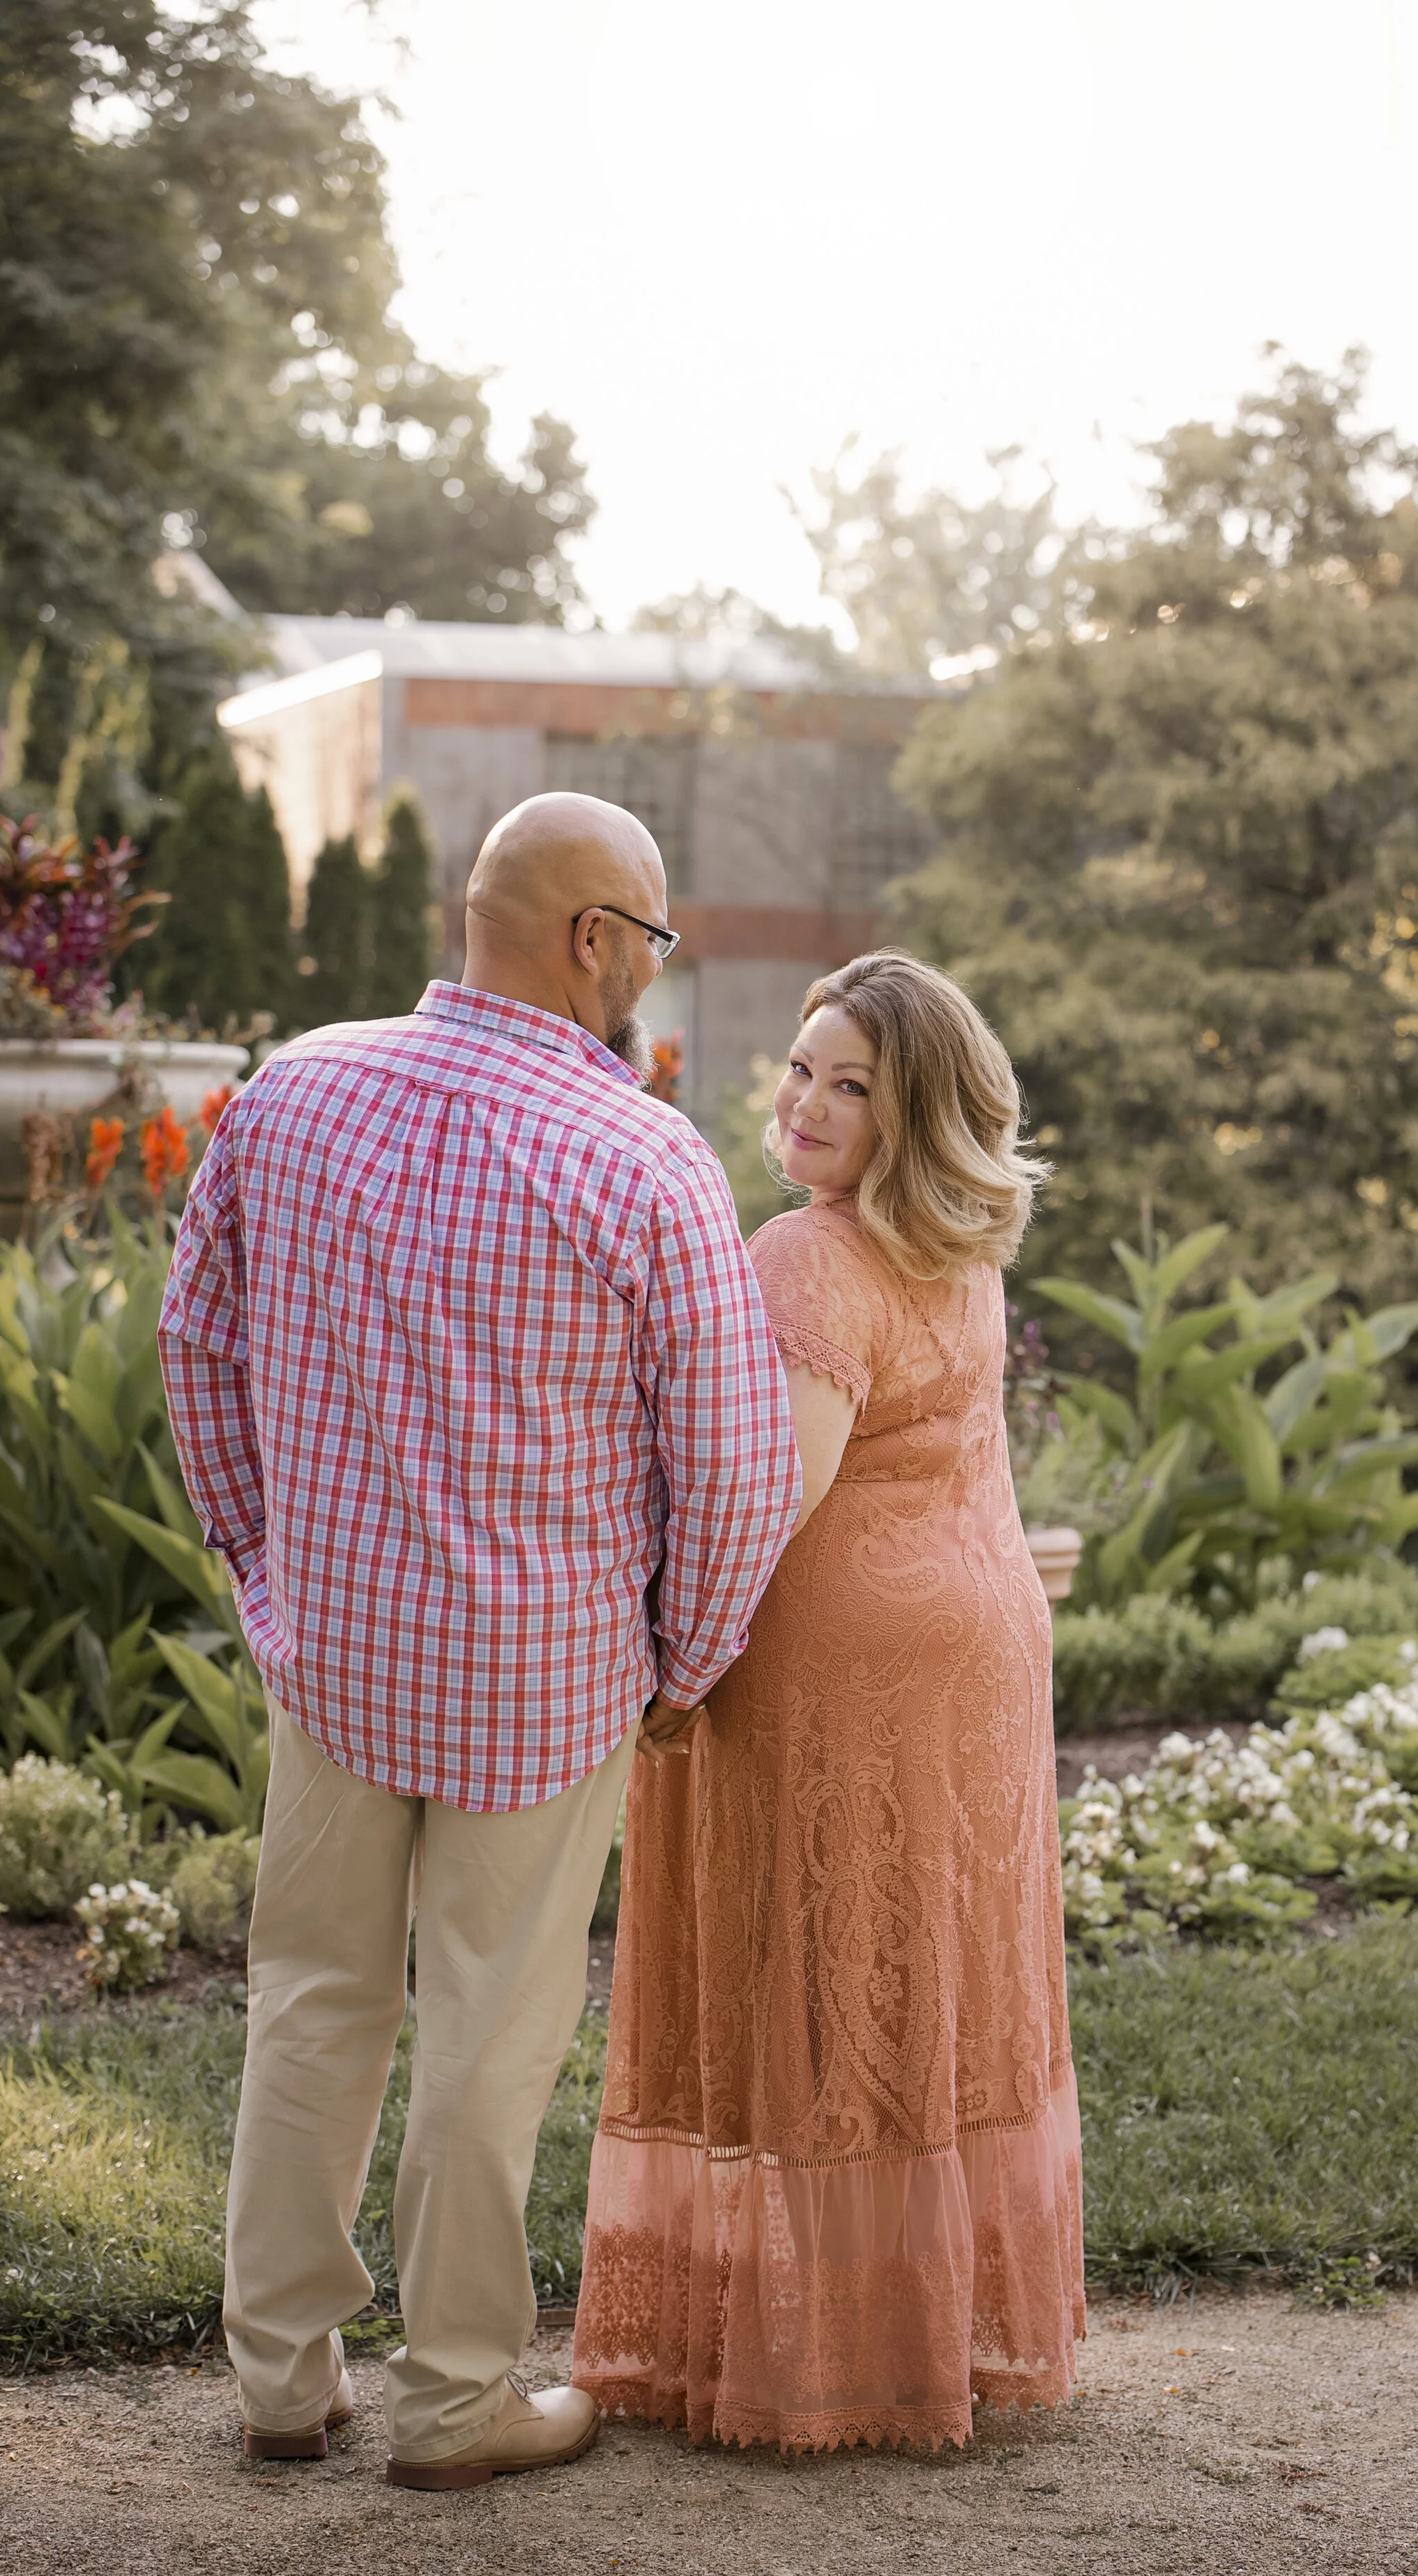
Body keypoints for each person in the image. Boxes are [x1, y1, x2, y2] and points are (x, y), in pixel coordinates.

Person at [158, 793, 801, 2490]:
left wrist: (263, 1563)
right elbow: (734, 1470)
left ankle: (282, 2384)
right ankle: (452, 2402)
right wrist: (683, 1664)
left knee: (310, 2002)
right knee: (486, 2033)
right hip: (547, 1680)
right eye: (649, 940)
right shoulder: (643, 1157)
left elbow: (194, 1345)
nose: (650, 977)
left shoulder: (291, 1089)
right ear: (592, 938)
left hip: (338, 1661)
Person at [572, 951, 1085, 2453]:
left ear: (911, 1111)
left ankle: (821, 2359)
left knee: (814, 1978)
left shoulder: (805, 1255)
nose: (803, 1104)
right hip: (980, 1649)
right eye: (801, 1068)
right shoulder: (954, 1245)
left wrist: (670, 1667)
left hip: (841, 1675)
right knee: (927, 1978)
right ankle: (934, 2329)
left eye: (849, 1084)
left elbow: (768, 1502)